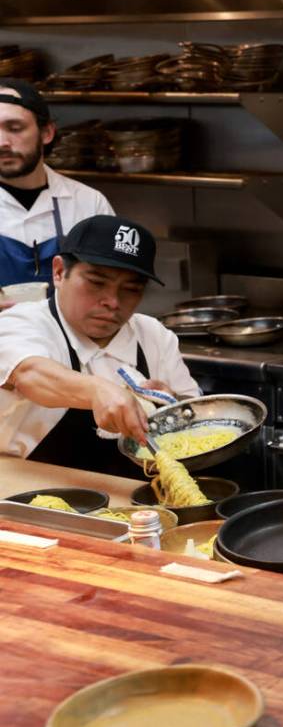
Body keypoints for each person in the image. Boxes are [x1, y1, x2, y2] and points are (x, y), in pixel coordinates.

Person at [0, 214, 200, 476]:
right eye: (96, 283)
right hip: (29, 495)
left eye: (130, 288)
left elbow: (197, 417)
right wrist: (97, 391)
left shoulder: (153, 335)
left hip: (133, 498)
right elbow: (29, 373)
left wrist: (172, 405)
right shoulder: (21, 322)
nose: (113, 302)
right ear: (59, 272)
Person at [0, 78, 113, 304]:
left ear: (47, 133)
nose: (2, 142)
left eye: (15, 128)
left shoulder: (89, 204)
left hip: (67, 338)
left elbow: (114, 285)